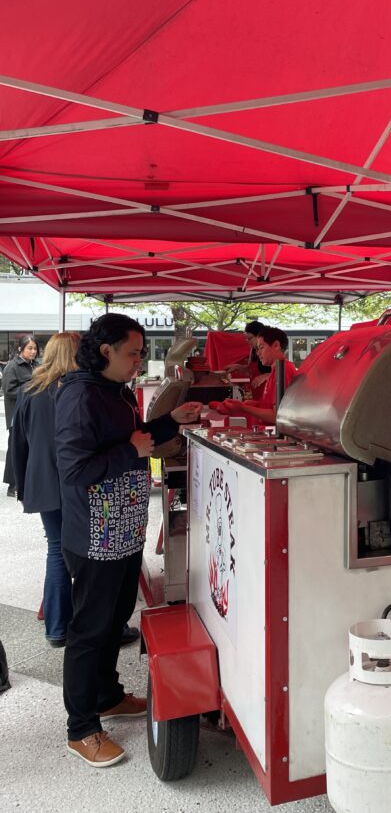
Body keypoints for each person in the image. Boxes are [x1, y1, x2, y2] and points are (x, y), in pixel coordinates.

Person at [54, 314, 201, 768]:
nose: (139, 361)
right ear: (106, 351)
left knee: (114, 620)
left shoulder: (114, 389)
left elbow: (137, 438)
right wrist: (130, 452)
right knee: (90, 630)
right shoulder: (80, 396)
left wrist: (171, 421)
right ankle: (81, 728)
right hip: (96, 535)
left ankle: (107, 695)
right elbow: (74, 469)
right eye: (133, 353)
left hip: (124, 528)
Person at [12, 333, 80, 647]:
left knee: (56, 550)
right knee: (85, 554)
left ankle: (56, 628)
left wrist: (21, 484)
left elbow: (18, 441)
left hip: (41, 481)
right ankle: (87, 623)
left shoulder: (30, 389)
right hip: (76, 483)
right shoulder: (77, 390)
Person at [214, 325, 296, 425]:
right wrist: (254, 404)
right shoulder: (276, 370)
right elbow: (271, 406)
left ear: (276, 345)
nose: (258, 353)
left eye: (261, 347)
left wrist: (243, 408)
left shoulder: (283, 370)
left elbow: (279, 416)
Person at [3, 334, 39, 496]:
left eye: (35, 348)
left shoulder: (36, 365)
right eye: (29, 348)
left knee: (29, 448)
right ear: (20, 349)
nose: (33, 351)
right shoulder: (12, 367)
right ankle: (12, 485)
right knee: (15, 449)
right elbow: (9, 391)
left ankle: (25, 481)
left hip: (31, 414)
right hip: (16, 416)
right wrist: (31, 389)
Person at [222, 320, 271, 400]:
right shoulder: (253, 350)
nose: (248, 341)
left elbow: (283, 372)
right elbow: (250, 370)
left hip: (268, 394)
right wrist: (238, 367)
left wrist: (266, 376)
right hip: (257, 394)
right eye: (247, 339)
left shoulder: (270, 351)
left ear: (260, 336)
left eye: (250, 338)